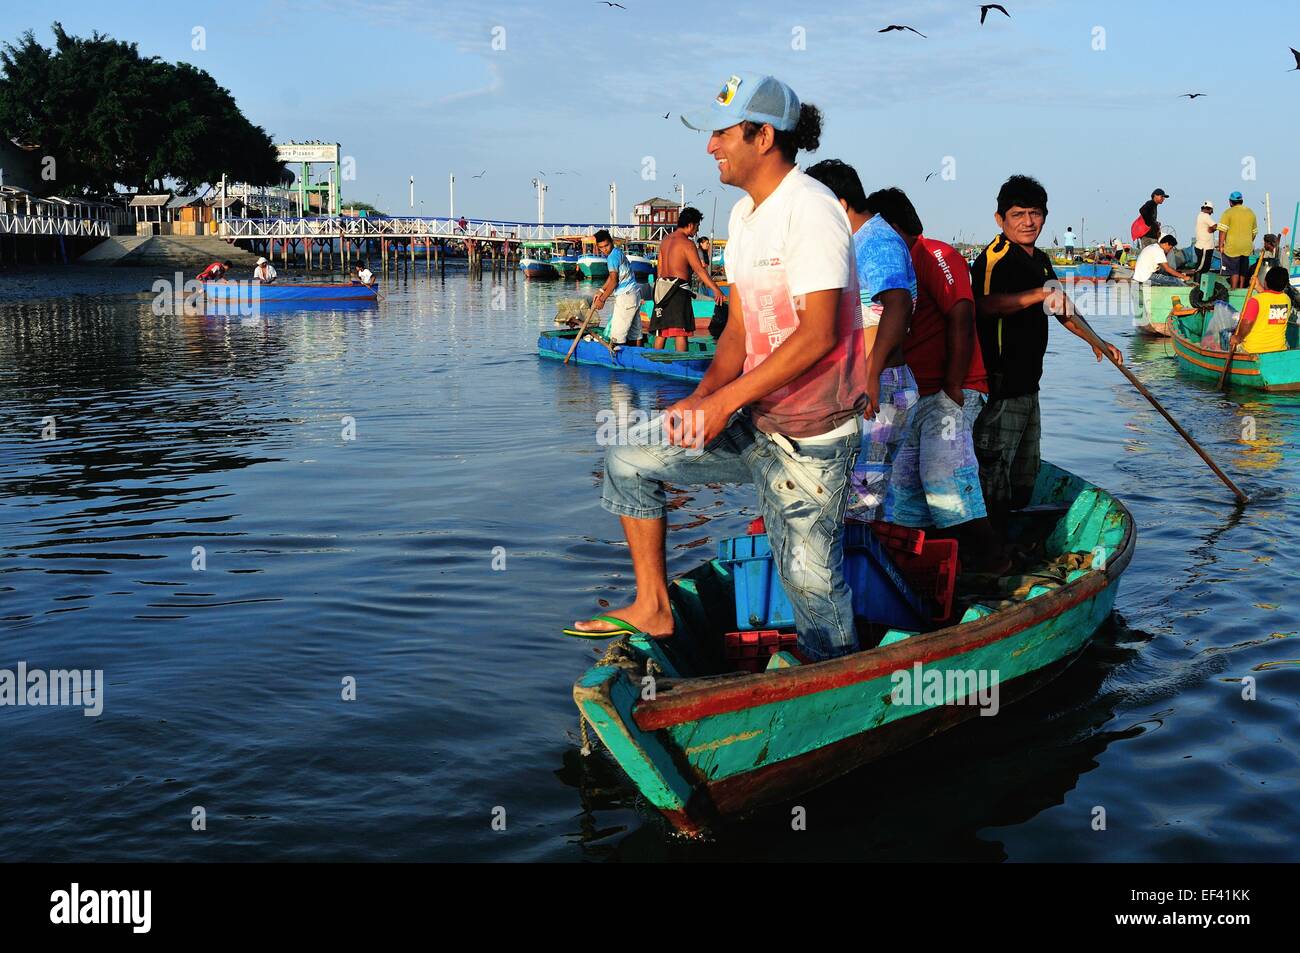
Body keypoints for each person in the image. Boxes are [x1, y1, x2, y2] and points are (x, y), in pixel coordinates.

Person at [566, 72, 869, 662]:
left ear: (763, 137)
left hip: (812, 438)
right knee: (627, 460)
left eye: (721, 133)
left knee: (812, 591)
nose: (710, 147)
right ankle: (653, 605)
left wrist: (721, 403)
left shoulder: (810, 210)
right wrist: (701, 397)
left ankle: (836, 685)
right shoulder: (743, 219)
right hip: (753, 418)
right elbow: (738, 328)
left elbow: (817, 334)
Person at [860, 187, 1004, 569]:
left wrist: (953, 387)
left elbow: (961, 314)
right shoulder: (893, 264)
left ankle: (995, 563)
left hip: (949, 391)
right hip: (912, 393)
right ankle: (936, 571)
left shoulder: (934, 254)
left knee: (946, 482)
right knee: (907, 494)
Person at [971, 174, 1123, 531]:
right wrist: (1036, 296)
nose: (1028, 222)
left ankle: (1017, 539)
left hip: (1029, 385)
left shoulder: (1039, 259)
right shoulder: (995, 259)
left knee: (1024, 473)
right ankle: (990, 549)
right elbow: (983, 307)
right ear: (1000, 219)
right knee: (993, 472)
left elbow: (1062, 306)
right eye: (1019, 214)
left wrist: (1097, 341)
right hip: (999, 386)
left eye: (1035, 213)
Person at [804, 159, 916, 523]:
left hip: (880, 387)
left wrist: (870, 372)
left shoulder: (877, 240)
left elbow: (898, 304)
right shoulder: (857, 241)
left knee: (860, 498)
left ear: (839, 205)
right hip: (867, 386)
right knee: (860, 491)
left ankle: (855, 576)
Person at [650, 207, 724, 351]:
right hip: (678, 291)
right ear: (690, 224)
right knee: (681, 332)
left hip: (661, 288)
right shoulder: (687, 244)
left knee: (661, 331)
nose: (696, 231)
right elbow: (699, 270)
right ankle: (681, 364)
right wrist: (716, 290)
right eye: (697, 227)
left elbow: (659, 268)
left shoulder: (665, 240)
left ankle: (655, 362)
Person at [591, 230, 645, 347]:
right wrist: (601, 290)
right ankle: (638, 354)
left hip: (625, 296)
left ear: (612, 242)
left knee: (617, 334)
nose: (605, 249)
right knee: (635, 332)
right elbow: (612, 278)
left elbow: (614, 281)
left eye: (607, 245)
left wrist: (602, 300)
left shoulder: (612, 257)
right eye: (601, 247)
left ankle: (617, 359)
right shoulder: (617, 252)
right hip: (634, 294)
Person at [1227, 266, 1292, 354]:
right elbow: (1270, 300)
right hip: (1278, 349)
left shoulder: (1255, 301)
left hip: (1252, 350)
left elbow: (1247, 323)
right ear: (1284, 285)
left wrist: (1238, 338)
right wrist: (1258, 287)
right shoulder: (1286, 300)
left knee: (1226, 339)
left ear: (1265, 281)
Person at [1218, 191, 1257, 289]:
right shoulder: (1250, 212)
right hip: (1247, 246)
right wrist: (1248, 242)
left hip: (1232, 247)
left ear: (1230, 202)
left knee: (1234, 271)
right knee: (1243, 270)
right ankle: (1241, 289)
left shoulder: (1227, 213)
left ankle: (1234, 290)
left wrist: (1221, 245)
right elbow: (1254, 232)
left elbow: (1222, 231)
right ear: (1242, 201)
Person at [1192, 200, 1219, 278]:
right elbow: (1215, 226)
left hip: (1205, 246)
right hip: (1204, 247)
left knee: (1204, 267)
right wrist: (1212, 229)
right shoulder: (1205, 216)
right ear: (1210, 210)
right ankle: (1196, 284)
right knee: (1201, 268)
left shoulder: (1200, 215)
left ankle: (1199, 284)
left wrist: (1211, 228)